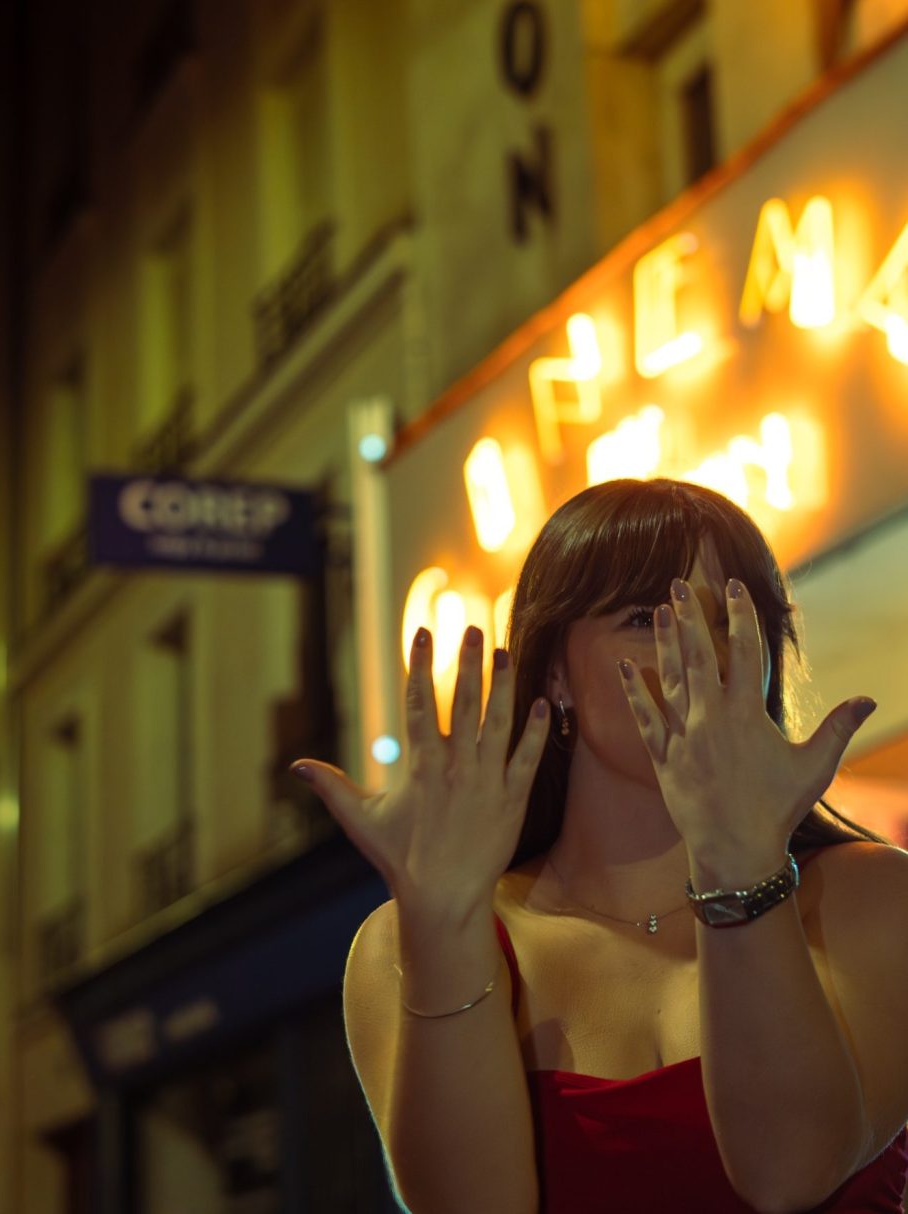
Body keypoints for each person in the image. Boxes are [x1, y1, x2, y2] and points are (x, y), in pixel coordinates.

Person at [292, 478, 908, 1213]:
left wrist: (738, 859)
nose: (702, 654)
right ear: (555, 671)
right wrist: (445, 929)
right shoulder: (406, 944)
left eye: (731, 619)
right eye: (648, 618)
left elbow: (789, 1173)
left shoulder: (875, 897)